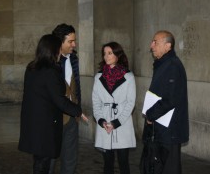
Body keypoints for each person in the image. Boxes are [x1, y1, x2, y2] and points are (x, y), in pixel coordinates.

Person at [18, 34, 84, 174]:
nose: (60, 52)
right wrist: (78, 111)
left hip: (33, 123)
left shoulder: (32, 68)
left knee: (39, 161)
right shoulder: (50, 71)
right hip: (44, 126)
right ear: (53, 50)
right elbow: (59, 99)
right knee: (43, 164)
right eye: (59, 49)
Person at [142, 30, 189, 174]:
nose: (151, 46)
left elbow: (170, 99)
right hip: (160, 130)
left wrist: (150, 114)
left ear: (168, 46)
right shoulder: (163, 64)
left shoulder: (172, 65)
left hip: (169, 132)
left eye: (155, 42)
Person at [92, 42, 136, 174]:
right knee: (107, 163)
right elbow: (95, 101)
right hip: (105, 123)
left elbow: (130, 103)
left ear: (118, 55)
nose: (106, 56)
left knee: (123, 163)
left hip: (122, 123)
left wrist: (116, 122)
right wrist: (101, 120)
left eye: (110, 53)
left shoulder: (128, 76)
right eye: (104, 53)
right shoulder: (99, 77)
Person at [50, 23, 82, 174]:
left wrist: (77, 108)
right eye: (70, 41)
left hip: (72, 118)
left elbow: (77, 86)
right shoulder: (50, 62)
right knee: (49, 160)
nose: (74, 44)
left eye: (74, 41)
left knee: (70, 160)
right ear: (59, 42)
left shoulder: (74, 59)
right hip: (53, 119)